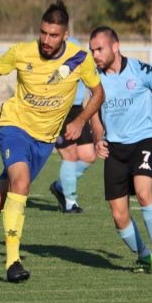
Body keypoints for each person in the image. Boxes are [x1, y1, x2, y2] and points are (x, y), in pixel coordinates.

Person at [0, 1, 104, 282]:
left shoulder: (80, 59)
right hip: (15, 128)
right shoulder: (21, 52)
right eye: (43, 33)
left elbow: (98, 93)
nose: (46, 40)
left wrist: (81, 120)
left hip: (44, 141)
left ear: (65, 35)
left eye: (53, 35)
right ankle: (13, 262)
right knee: (21, 183)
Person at [88, 26, 152, 277]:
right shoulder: (95, 78)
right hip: (114, 149)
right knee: (119, 216)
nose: (95, 55)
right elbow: (94, 112)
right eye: (92, 50)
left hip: (143, 142)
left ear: (115, 46)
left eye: (99, 49)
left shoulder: (141, 70)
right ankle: (144, 256)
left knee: (143, 194)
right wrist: (98, 138)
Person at [49, 79, 99, 213]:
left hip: (77, 109)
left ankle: (60, 186)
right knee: (69, 154)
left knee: (89, 156)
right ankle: (70, 203)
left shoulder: (83, 63)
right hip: (56, 108)